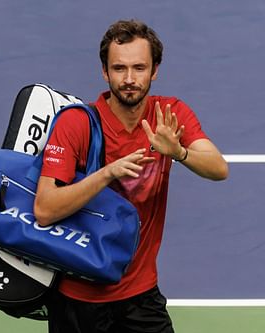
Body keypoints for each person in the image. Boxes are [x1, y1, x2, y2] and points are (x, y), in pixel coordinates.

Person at [34, 19, 229, 333]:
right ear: (104, 72)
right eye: (119, 68)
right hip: (78, 298)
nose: (129, 79)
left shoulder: (169, 115)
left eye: (139, 68)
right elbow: (45, 209)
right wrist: (107, 173)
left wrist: (179, 152)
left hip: (140, 295)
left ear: (154, 71)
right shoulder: (77, 124)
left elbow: (219, 168)